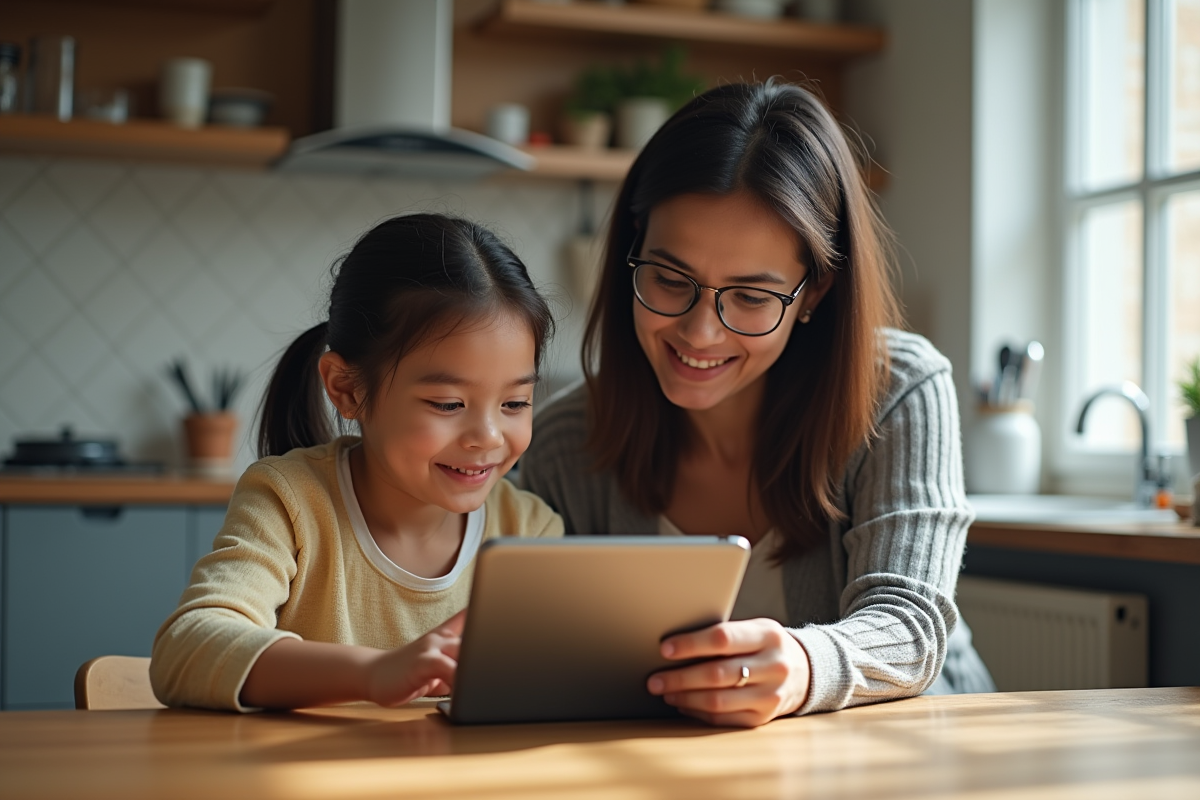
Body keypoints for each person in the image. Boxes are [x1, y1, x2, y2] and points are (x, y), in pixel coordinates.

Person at [517, 80, 994, 728]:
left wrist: (802, 664)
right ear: (632, 249)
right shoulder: (565, 441)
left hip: (922, 751)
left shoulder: (896, 391)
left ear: (815, 294)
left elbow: (910, 628)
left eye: (750, 296)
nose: (699, 332)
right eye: (669, 277)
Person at [151, 214, 563, 711]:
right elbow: (187, 648)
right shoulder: (290, 500)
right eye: (448, 405)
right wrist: (374, 673)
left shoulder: (529, 531)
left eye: (515, 404)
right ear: (347, 388)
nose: (488, 437)